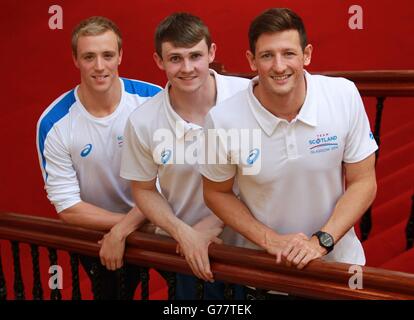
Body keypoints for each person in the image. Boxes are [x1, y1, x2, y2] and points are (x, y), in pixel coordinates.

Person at [200, 8, 378, 299]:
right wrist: (270, 240)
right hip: (263, 275)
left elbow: (363, 181)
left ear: (306, 55)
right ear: (251, 60)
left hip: (339, 269)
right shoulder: (221, 120)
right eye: (267, 55)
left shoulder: (343, 96)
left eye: (288, 53)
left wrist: (321, 241)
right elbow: (215, 192)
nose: (279, 66)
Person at [118, 12, 249, 299]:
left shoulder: (250, 96)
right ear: (159, 61)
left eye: (195, 56)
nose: (187, 68)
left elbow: (265, 171)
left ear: (211, 52)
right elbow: (143, 189)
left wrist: (214, 223)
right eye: (175, 58)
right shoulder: (143, 121)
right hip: (192, 256)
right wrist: (184, 233)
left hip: (255, 250)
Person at [36, 16, 162, 299]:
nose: (99, 66)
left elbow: (171, 180)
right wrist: (123, 227)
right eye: (89, 56)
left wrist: (126, 229)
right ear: (75, 60)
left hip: (165, 223)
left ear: (120, 56)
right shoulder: (55, 122)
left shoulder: (154, 100)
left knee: (198, 294)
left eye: (107, 55)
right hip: (104, 229)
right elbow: (68, 207)